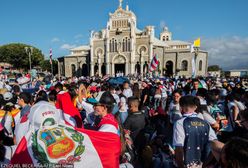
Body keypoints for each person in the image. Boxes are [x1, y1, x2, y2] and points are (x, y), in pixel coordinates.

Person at [173, 95, 217, 168]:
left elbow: (179, 148)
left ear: (181, 107)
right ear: (196, 107)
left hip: (186, 164)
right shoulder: (205, 123)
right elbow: (215, 146)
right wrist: (205, 163)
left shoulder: (180, 123)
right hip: (201, 163)